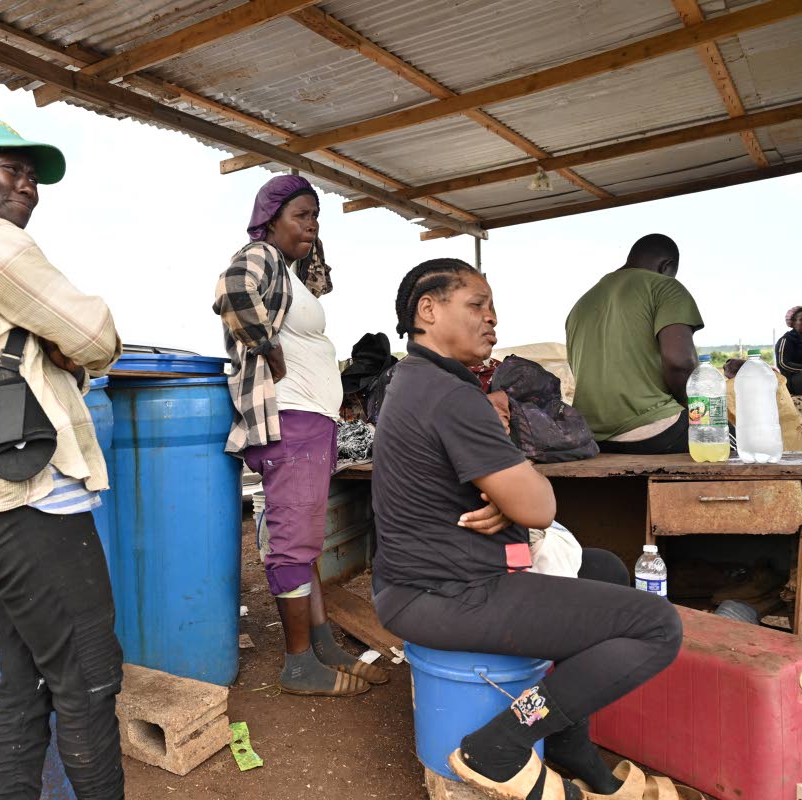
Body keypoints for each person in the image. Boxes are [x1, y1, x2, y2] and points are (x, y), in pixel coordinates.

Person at [373, 258, 683, 799]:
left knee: (603, 568)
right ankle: (500, 744)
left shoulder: (412, 377)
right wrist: (513, 492)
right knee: (656, 626)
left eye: (493, 308)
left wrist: (502, 492)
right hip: (449, 593)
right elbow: (539, 507)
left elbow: (501, 494)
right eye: (477, 305)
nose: (492, 319)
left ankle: (568, 742)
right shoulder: (453, 396)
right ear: (429, 309)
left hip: (416, 584)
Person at [0, 115, 123, 799]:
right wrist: (75, 344)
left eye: (32, 174)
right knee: (90, 675)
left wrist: (61, 346)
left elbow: (56, 349)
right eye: (10, 168)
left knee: (30, 679)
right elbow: (94, 332)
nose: (27, 183)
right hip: (30, 497)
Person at [214, 175, 387, 697]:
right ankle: (298, 667)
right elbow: (232, 287)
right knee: (292, 543)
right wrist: (266, 347)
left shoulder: (288, 271)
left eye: (316, 217)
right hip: (288, 420)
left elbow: (318, 278)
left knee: (305, 542)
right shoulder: (261, 254)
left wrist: (310, 244)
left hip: (309, 421)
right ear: (271, 217)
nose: (311, 226)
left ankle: (320, 646)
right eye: (302, 215)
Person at [566, 234, 703, 454]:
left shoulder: (582, 303)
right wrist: (693, 409)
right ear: (665, 266)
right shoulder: (665, 287)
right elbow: (681, 362)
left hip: (591, 436)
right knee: (728, 433)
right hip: (653, 429)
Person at [723, 357, 802, 453]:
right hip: (792, 440)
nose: (729, 380)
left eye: (728, 377)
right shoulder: (774, 378)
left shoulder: (734, 387)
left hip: (766, 446)